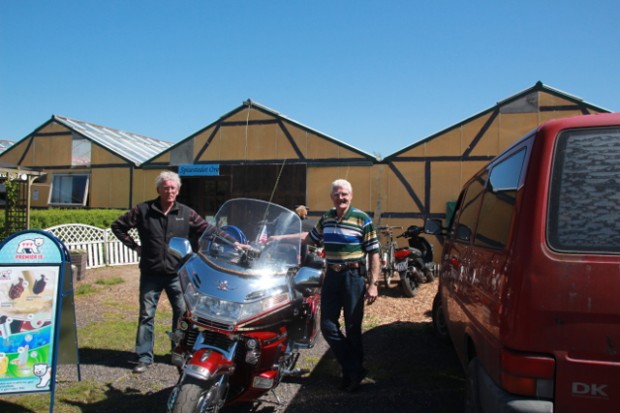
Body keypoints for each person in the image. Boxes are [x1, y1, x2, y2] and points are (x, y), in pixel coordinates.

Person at [111, 171, 242, 374]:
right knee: (146, 315)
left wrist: (235, 243)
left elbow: (208, 230)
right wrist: (135, 247)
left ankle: (178, 352)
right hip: (151, 272)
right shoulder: (143, 210)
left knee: (182, 315)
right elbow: (118, 226)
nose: (169, 191)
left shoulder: (186, 213)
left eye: (173, 188)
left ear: (178, 190)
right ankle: (144, 357)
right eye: (165, 188)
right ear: (158, 190)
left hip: (177, 274)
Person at [304, 179, 380, 392]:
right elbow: (310, 238)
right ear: (332, 197)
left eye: (344, 194)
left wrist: (373, 284)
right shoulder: (327, 218)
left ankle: (350, 377)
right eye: (337, 194)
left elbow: (374, 252)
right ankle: (356, 369)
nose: (341, 197)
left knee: (354, 328)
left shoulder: (362, 219)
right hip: (332, 277)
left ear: (351, 195)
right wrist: (279, 239)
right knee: (328, 326)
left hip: (353, 277)